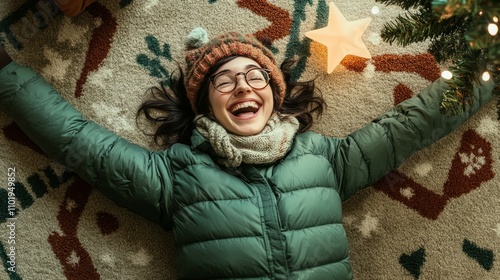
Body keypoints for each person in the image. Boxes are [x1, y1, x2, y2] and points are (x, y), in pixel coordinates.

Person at [0, 28, 496, 279]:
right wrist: (6, 75)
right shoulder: (176, 176)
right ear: (206, 106)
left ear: (274, 94)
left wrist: (490, 66)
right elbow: (79, 142)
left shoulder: (323, 158)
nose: (242, 84)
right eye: (224, 80)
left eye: (254, 75)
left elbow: (412, 125)